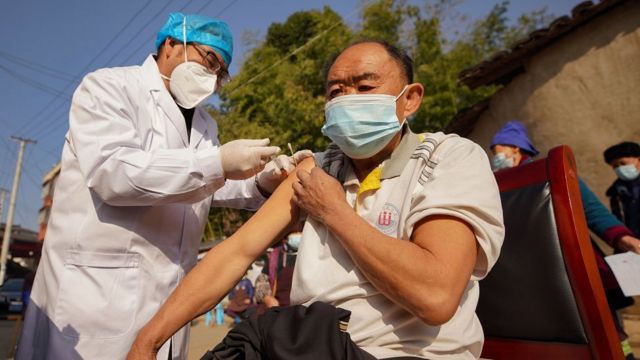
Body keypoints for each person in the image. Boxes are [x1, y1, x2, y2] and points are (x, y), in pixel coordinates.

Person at [127, 39, 504, 359]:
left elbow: (435, 296)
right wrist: (147, 342)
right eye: (336, 91)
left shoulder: (448, 158)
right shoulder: (317, 169)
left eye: (365, 87)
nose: (348, 100)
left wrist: (334, 211)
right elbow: (236, 252)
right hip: (310, 343)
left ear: (410, 100)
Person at [16, 12, 310, 360]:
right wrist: (217, 163)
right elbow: (114, 174)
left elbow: (202, 187)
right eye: (210, 59)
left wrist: (261, 183)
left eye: (221, 72)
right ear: (171, 44)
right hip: (95, 298)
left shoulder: (204, 123)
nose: (213, 77)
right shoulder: (109, 88)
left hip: (168, 307)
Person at [490, 121, 640, 360]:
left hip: (571, 270)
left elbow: (591, 210)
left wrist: (626, 240)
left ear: (515, 149)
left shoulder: (549, 174)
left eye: (497, 150)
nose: (495, 157)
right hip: (527, 279)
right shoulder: (492, 184)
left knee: (605, 331)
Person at [604, 141, 640, 237]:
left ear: (639, 160)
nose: (620, 168)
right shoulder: (616, 192)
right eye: (615, 166)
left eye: (623, 163)